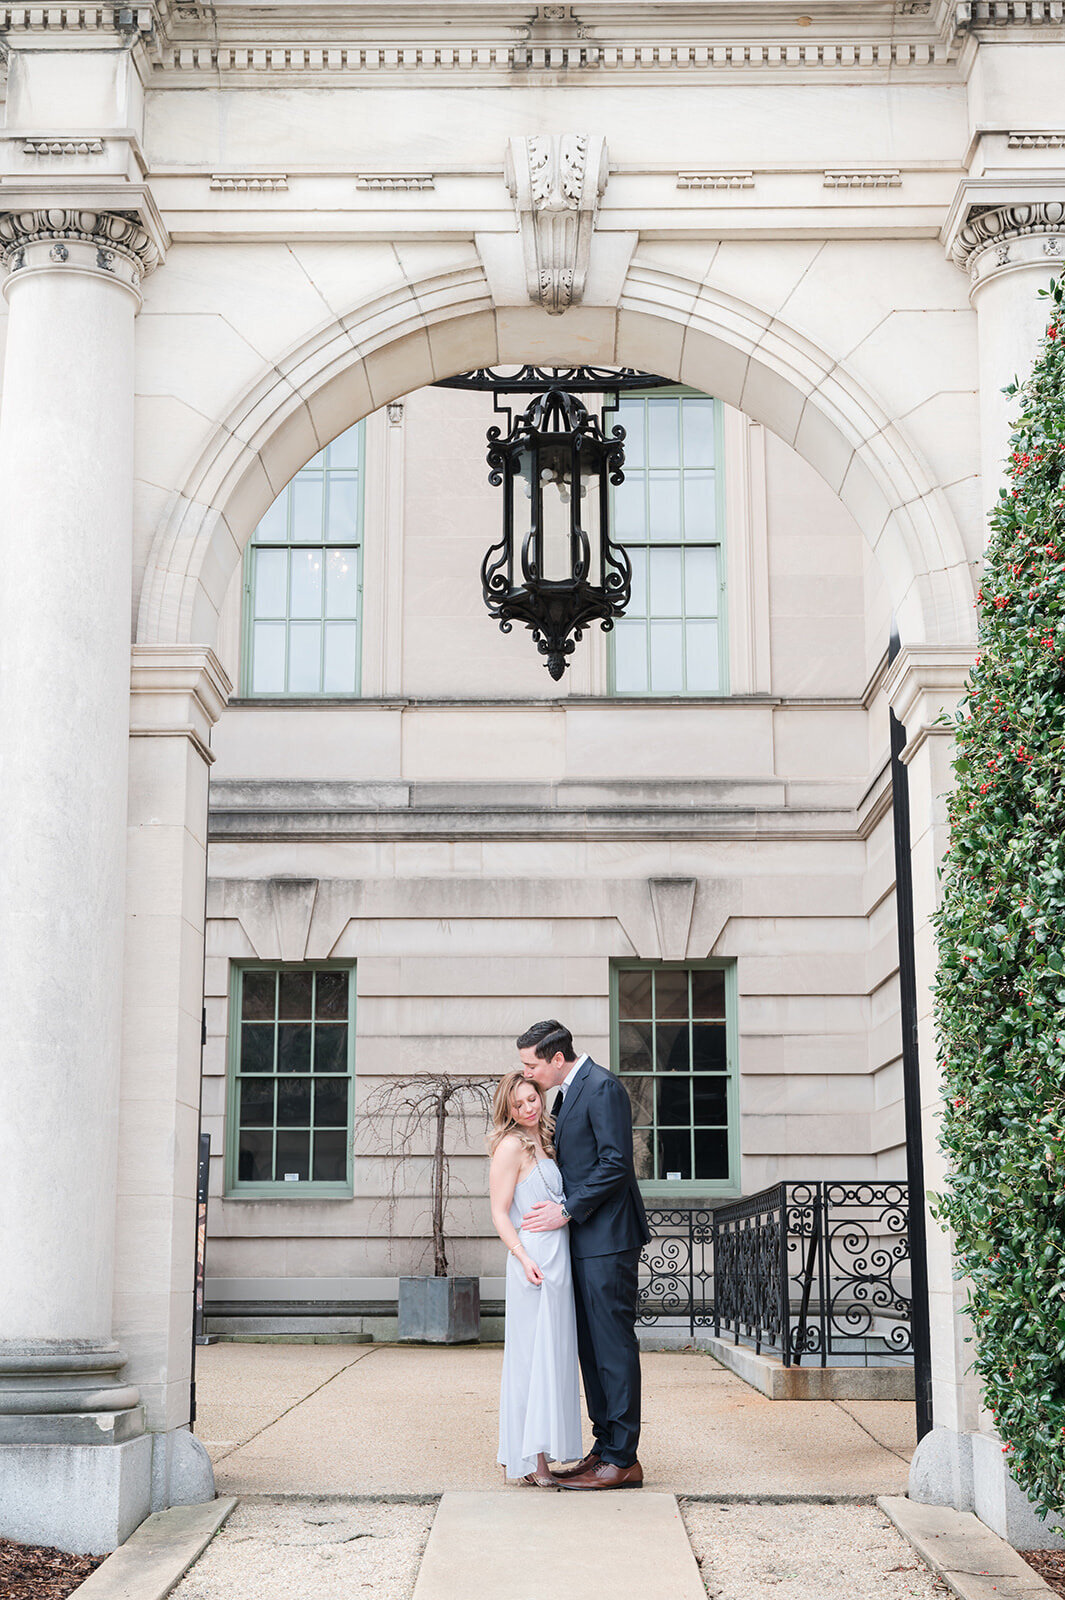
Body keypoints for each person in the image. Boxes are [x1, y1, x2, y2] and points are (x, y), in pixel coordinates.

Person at [518, 1018, 650, 1490]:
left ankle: (623, 1459)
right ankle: (604, 1447)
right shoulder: (566, 1093)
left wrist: (566, 1210)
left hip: (609, 1240)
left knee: (612, 1347)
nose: (527, 1074)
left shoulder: (602, 1087)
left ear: (557, 1058)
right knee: (591, 1351)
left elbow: (616, 1163)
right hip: (584, 1242)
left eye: (531, 1065)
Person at [489, 1070, 583, 1487]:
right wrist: (522, 1256)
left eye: (532, 1098)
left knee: (554, 1357)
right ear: (507, 1110)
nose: (528, 1107)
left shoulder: (545, 1139)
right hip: (533, 1261)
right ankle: (529, 1459)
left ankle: (535, 1451)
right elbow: (498, 1212)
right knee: (531, 1358)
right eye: (519, 1104)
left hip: (559, 1258)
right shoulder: (510, 1146)